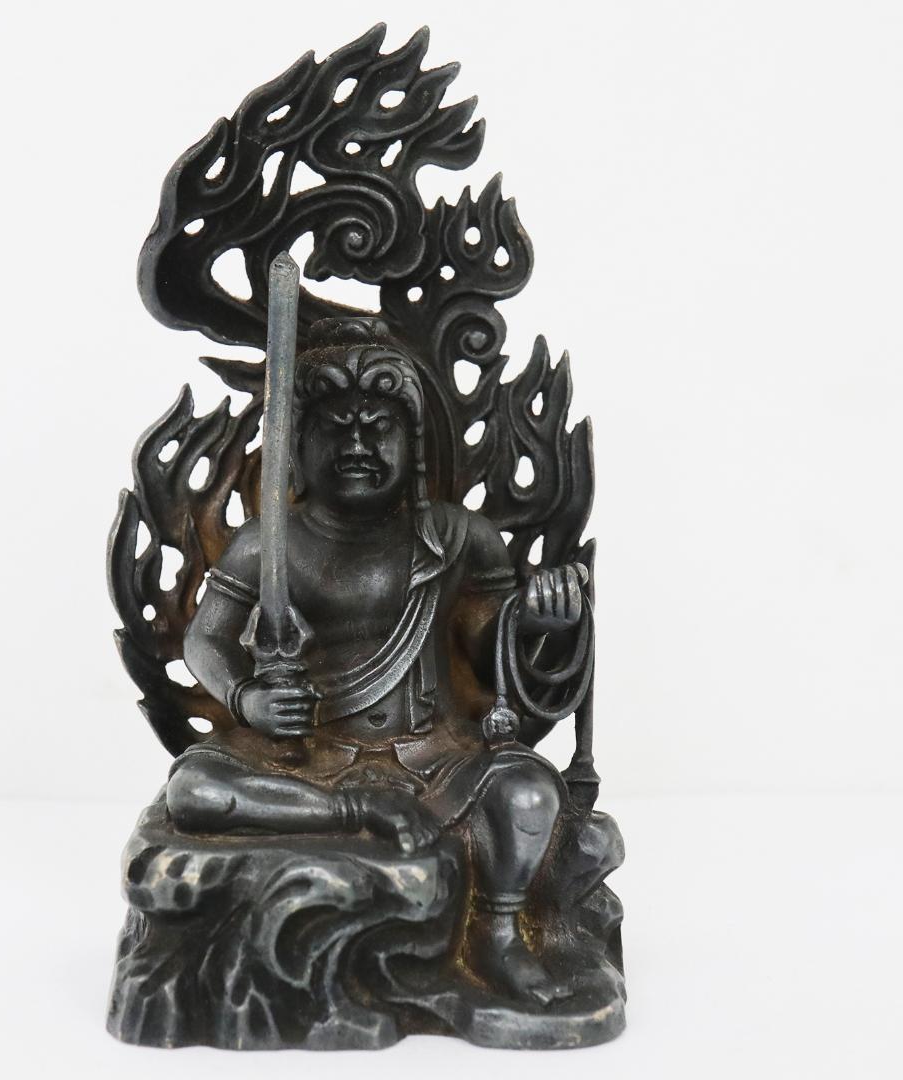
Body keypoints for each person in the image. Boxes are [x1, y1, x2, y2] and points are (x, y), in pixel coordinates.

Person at [167, 317, 588, 1005]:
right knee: (194, 791)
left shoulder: (457, 538)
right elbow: (204, 640)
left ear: (412, 443)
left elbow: (489, 650)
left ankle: (498, 932)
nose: (357, 446)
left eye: (378, 429)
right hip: (307, 758)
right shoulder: (267, 543)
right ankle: (348, 813)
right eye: (335, 429)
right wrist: (248, 700)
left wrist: (537, 621)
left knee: (531, 794)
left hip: (432, 757)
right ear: (297, 446)